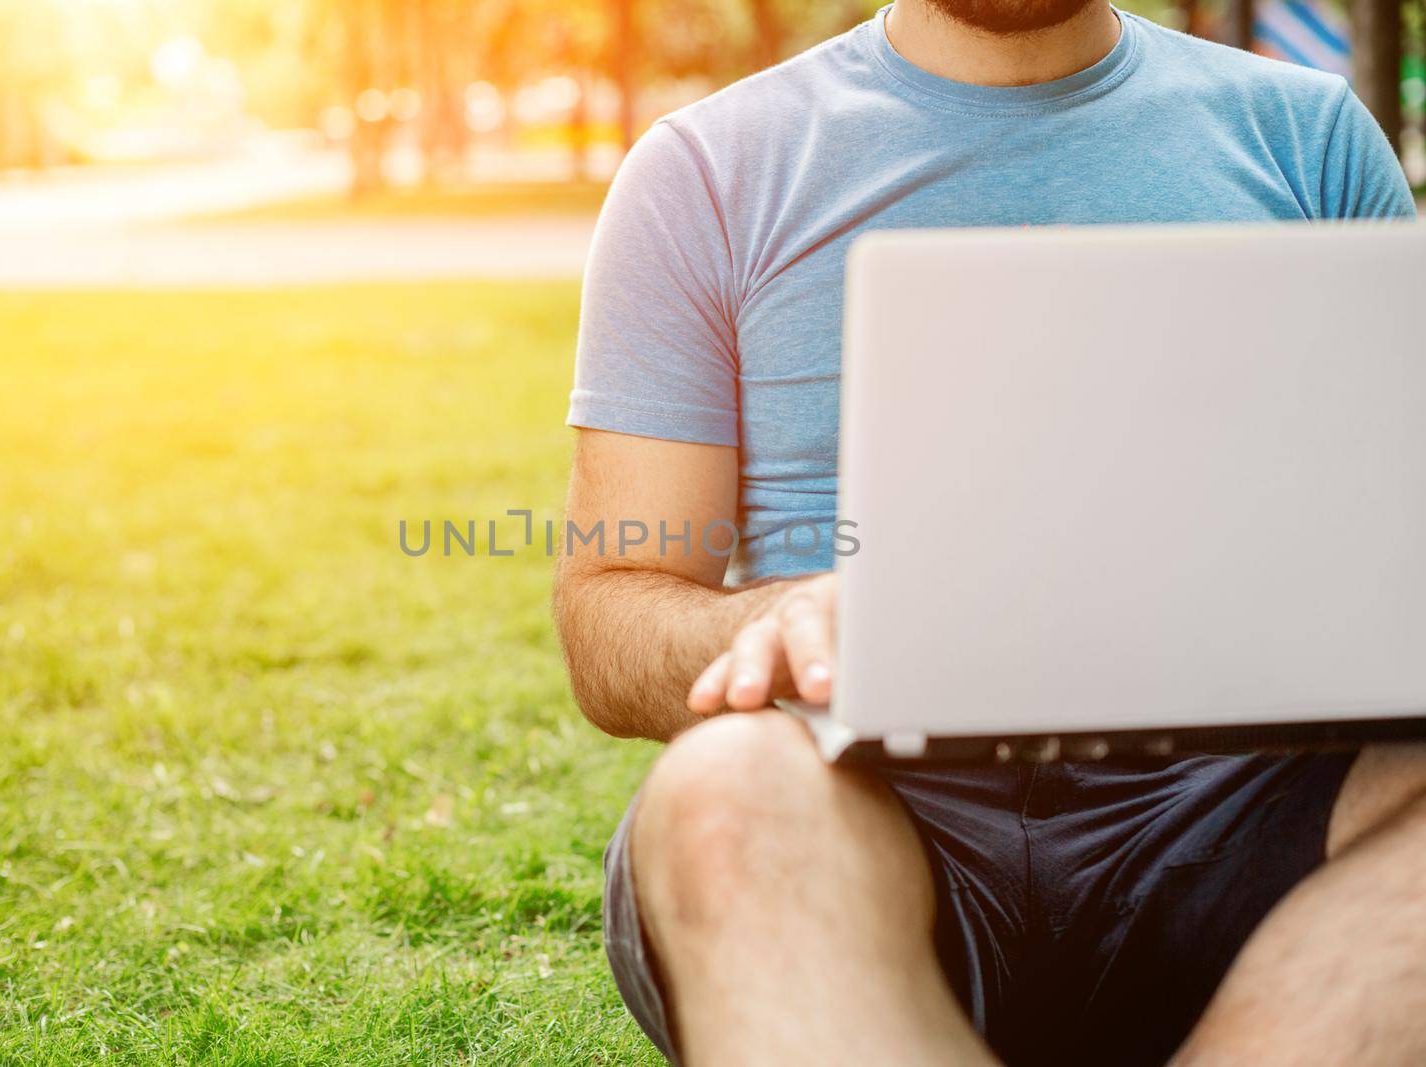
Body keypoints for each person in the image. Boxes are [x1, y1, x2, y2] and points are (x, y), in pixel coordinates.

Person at [551, 1, 1423, 1064]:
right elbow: (609, 607)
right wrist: (784, 614)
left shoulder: (1309, 137)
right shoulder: (705, 169)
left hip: (1250, 813)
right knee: (726, 786)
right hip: (868, 817)